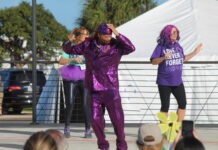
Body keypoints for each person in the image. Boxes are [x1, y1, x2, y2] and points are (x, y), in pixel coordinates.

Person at [62, 23, 135, 150]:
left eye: (109, 35)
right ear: (99, 35)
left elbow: (131, 48)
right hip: (94, 88)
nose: (108, 37)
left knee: (117, 120)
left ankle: (121, 143)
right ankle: (102, 145)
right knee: (95, 120)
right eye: (105, 35)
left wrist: (117, 33)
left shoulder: (116, 45)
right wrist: (68, 41)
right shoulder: (88, 45)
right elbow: (69, 50)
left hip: (111, 88)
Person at [150, 25, 203, 121]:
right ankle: (165, 132)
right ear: (167, 34)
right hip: (164, 82)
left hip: (177, 81)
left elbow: (183, 59)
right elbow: (153, 61)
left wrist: (195, 52)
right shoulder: (161, 46)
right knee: (165, 106)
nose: (175, 34)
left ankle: (178, 128)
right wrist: (163, 58)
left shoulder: (178, 46)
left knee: (182, 103)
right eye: (173, 32)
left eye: (176, 32)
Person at [59, 27, 92, 138]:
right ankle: (67, 128)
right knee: (69, 103)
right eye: (84, 34)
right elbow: (61, 61)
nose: (86, 36)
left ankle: (88, 129)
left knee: (85, 104)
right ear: (78, 36)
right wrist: (72, 60)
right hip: (71, 77)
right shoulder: (70, 47)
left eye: (87, 34)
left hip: (84, 78)